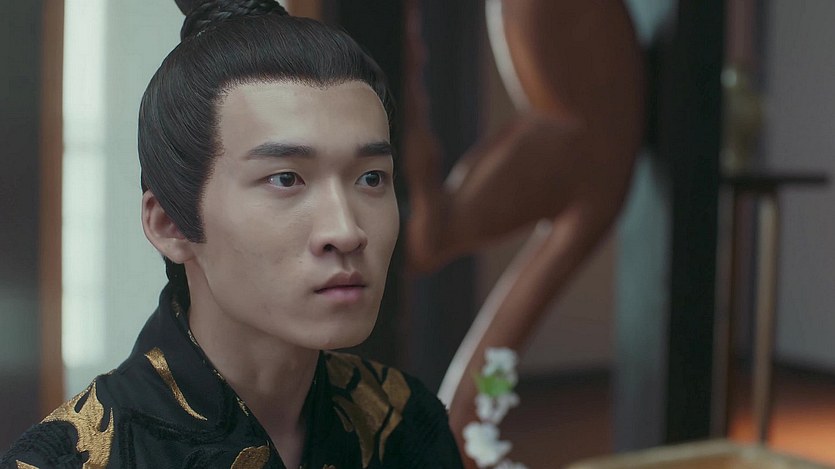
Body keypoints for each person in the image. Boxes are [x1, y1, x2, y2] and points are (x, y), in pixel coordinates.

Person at [1, 1, 463, 468]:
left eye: (371, 178)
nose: (345, 231)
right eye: (285, 179)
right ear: (170, 223)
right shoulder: (73, 459)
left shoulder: (406, 422)